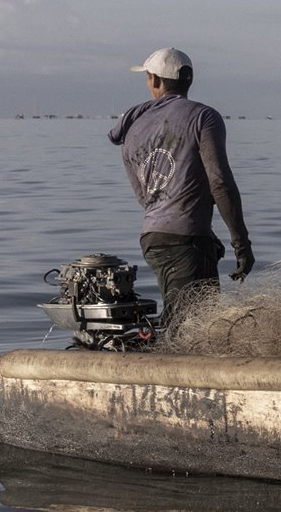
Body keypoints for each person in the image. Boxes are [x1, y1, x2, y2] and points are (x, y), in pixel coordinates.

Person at [108, 46, 254, 325]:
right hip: (186, 242)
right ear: (189, 80)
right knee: (193, 330)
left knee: (182, 322)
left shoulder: (133, 126)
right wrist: (241, 243)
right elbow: (220, 183)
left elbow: (146, 197)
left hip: (153, 239)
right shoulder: (203, 117)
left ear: (156, 81)